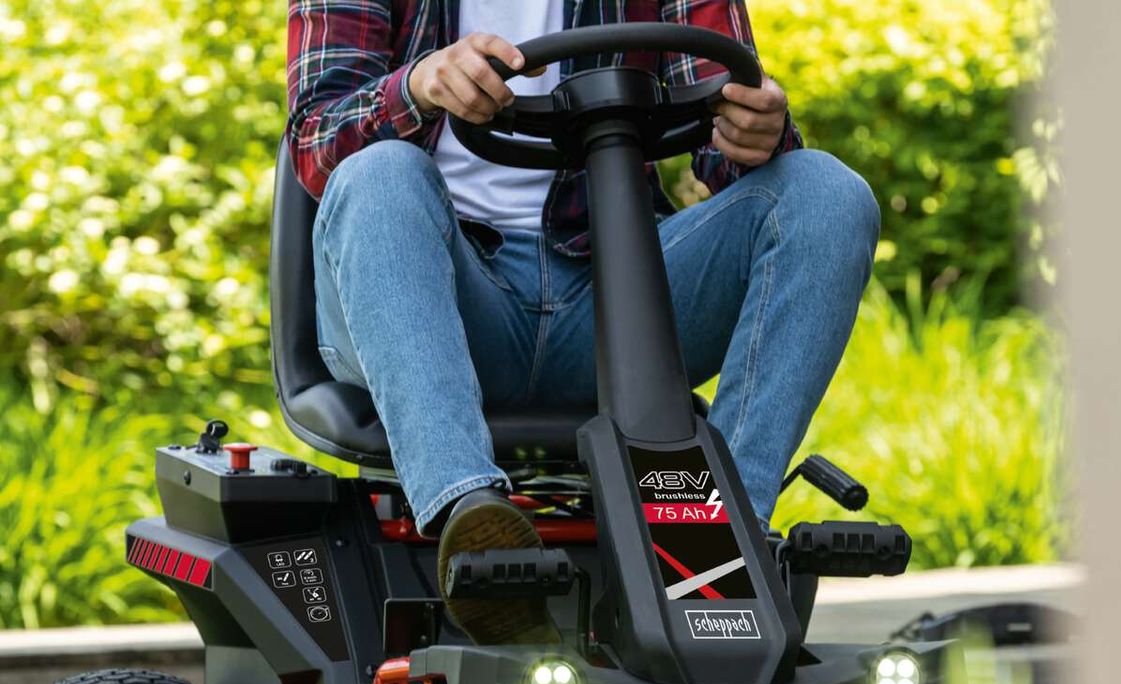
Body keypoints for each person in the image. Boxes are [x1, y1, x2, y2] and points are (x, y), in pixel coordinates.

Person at [287, 1, 879, 644]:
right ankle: (472, 521)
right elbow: (318, 142)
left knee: (828, 193)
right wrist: (418, 85)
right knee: (379, 170)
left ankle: (716, 531)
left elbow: (729, 129)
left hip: (610, 300)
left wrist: (758, 129)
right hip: (430, 297)